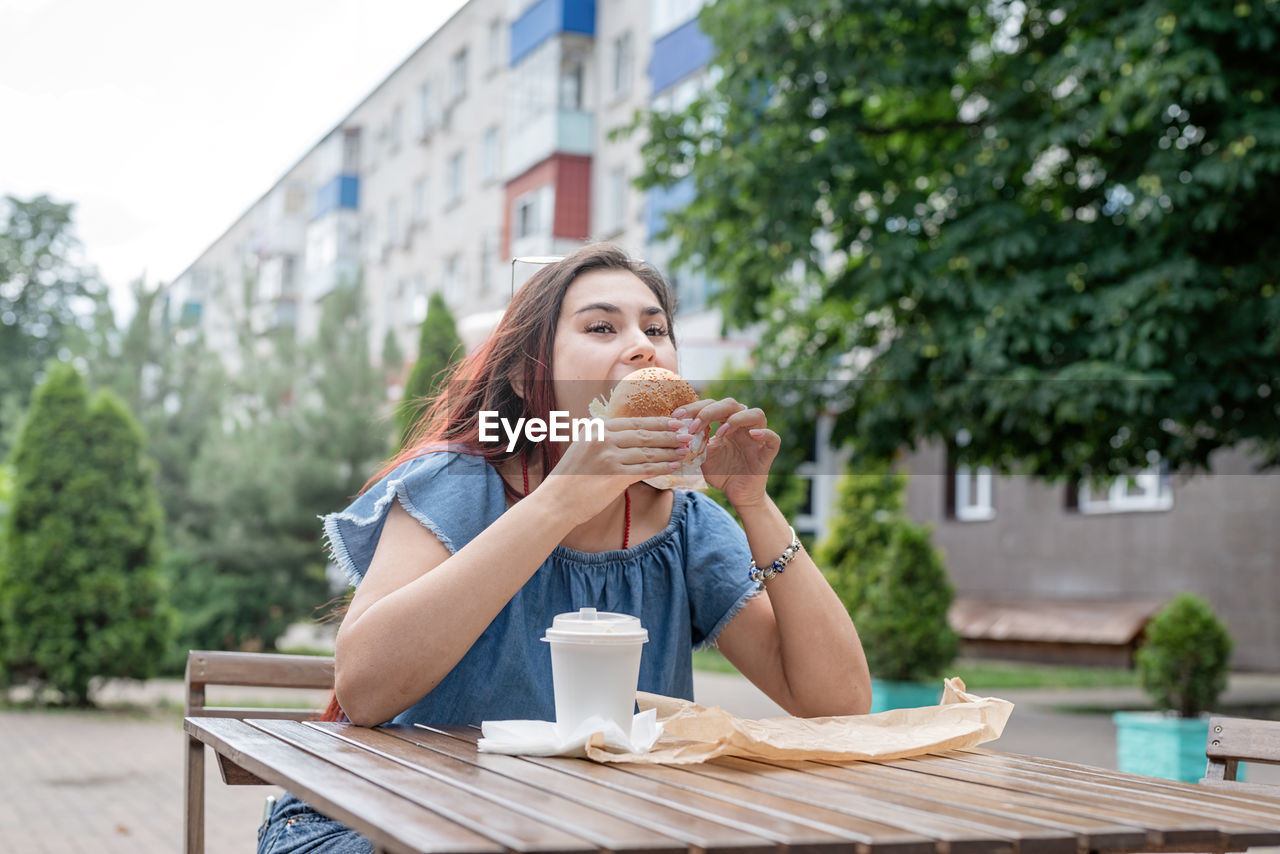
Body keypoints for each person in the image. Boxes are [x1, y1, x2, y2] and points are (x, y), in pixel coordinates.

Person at [257, 243, 871, 854]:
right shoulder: (457, 483)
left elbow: (837, 704)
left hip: (584, 829)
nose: (642, 344)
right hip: (380, 820)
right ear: (530, 377)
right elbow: (363, 689)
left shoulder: (684, 525)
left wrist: (754, 503)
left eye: (655, 327)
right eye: (602, 326)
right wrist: (561, 501)